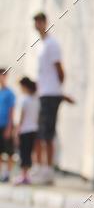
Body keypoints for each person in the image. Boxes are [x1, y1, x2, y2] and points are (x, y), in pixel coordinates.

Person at [32, 12, 65, 184]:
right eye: (35, 22)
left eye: (40, 21)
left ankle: (48, 170)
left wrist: (57, 90)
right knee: (40, 131)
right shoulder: (41, 45)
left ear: (45, 22)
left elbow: (60, 70)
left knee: (47, 133)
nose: (38, 25)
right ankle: (40, 167)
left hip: (51, 94)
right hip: (43, 94)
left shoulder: (52, 44)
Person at [13, 77, 39, 186]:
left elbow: (21, 117)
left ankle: (24, 176)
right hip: (33, 129)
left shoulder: (24, 99)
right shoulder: (36, 100)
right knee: (29, 152)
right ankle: (26, 175)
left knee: (23, 153)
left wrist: (16, 131)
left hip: (24, 130)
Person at [0, 68, 16, 182]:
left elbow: (11, 111)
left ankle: (8, 173)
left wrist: (9, 128)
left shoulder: (10, 93)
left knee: (9, 151)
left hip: (6, 125)